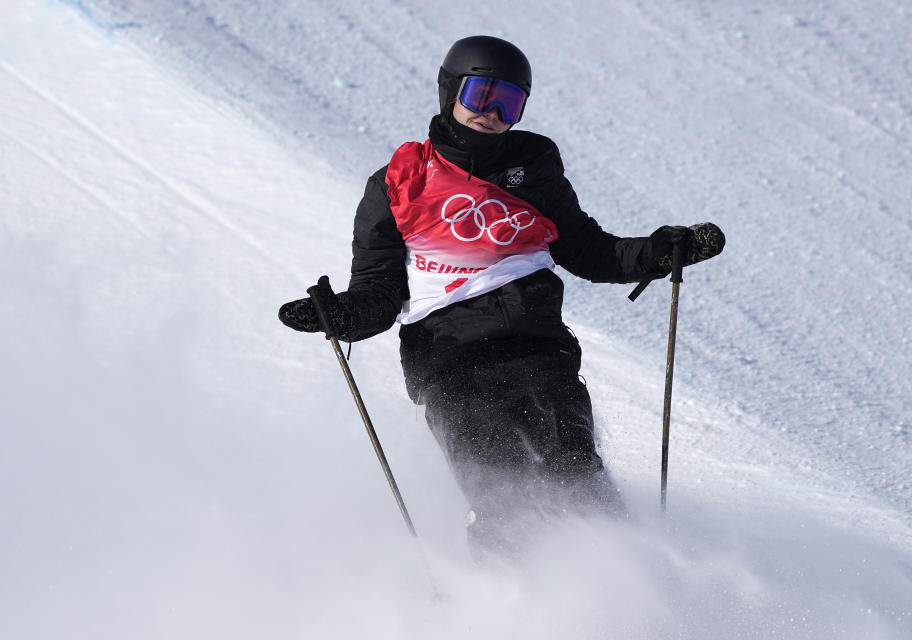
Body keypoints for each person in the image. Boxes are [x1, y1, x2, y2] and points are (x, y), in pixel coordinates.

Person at [279, 35, 724, 557]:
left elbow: (587, 249)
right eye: (480, 95)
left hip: (540, 353)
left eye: (507, 103)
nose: (491, 113)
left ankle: (637, 595)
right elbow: (378, 287)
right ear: (450, 93)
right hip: (451, 366)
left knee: (579, 476)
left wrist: (656, 252)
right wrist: (341, 316)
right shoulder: (398, 184)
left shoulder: (534, 167)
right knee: (503, 495)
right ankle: (504, 611)